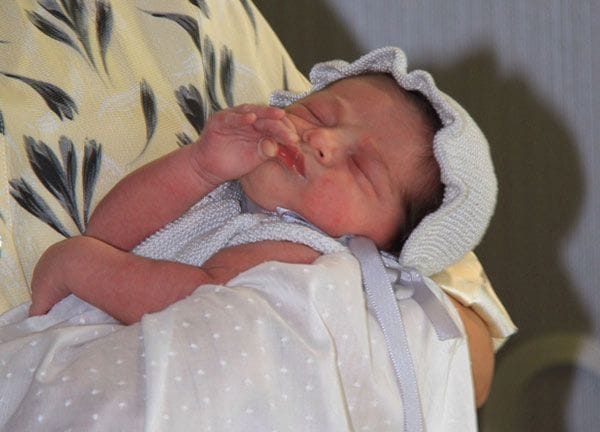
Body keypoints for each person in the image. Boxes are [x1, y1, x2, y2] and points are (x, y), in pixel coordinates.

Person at [28, 52, 497, 406]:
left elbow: (197, 305)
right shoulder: (231, 193)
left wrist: (84, 267)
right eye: (317, 115)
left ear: (387, 244)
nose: (322, 142)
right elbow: (109, 235)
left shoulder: (310, 258)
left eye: (361, 168)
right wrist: (198, 167)